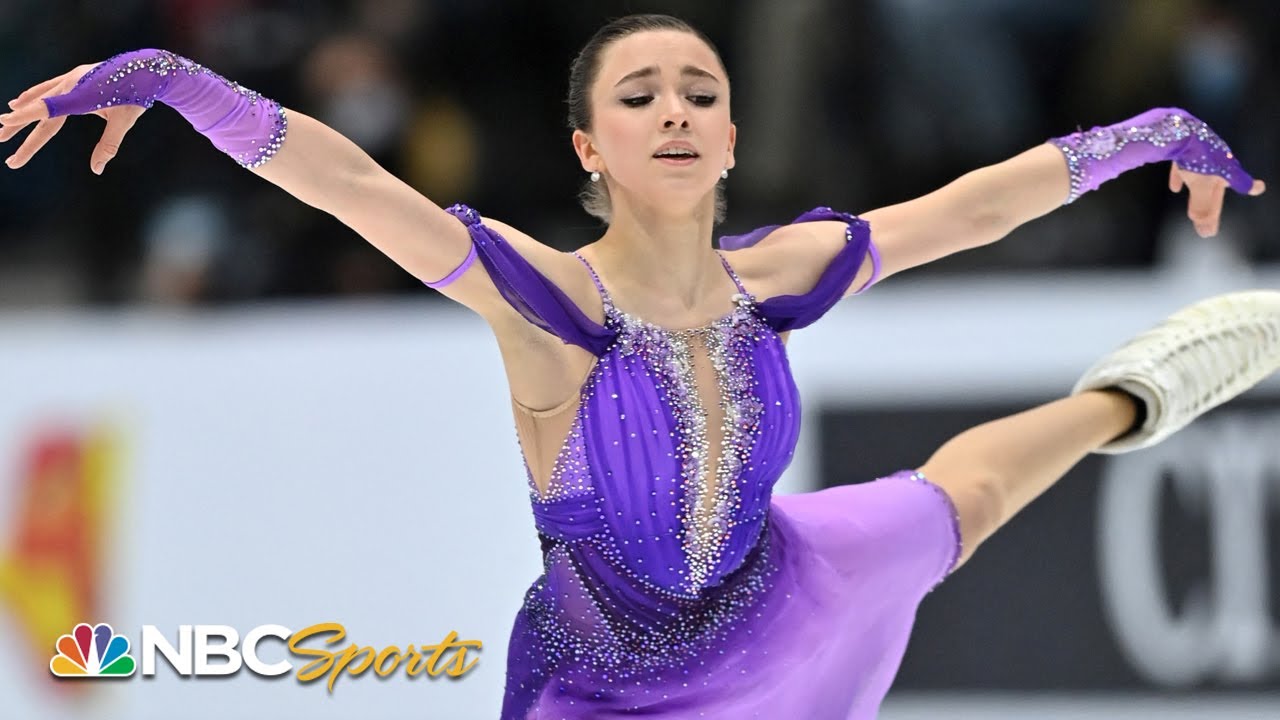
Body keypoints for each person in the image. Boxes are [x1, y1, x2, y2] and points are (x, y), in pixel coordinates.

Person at [1, 13, 1275, 719]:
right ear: (587, 147)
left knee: (971, 500)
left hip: (785, 595)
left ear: (727, 138)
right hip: (615, 692)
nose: (672, 109)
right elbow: (352, 186)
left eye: (697, 92)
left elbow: (973, 206)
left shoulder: (781, 274)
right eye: (639, 95)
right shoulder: (549, 304)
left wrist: (1147, 131)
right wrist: (176, 83)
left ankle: (1135, 390)